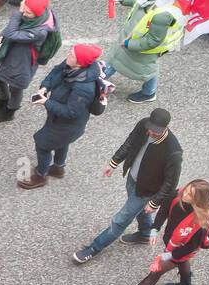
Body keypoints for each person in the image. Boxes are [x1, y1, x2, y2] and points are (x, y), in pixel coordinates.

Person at [73, 108, 182, 263]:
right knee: (141, 210)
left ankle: (93, 248)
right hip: (132, 179)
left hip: (146, 191)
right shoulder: (144, 125)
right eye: (150, 129)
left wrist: (154, 202)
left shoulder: (173, 151)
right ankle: (145, 233)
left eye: (156, 131)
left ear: (166, 128)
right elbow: (130, 142)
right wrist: (114, 162)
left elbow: (171, 183)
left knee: (120, 220)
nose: (151, 133)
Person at [110, 180, 209, 285]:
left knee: (156, 272)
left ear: (198, 200)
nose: (184, 195)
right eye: (187, 190)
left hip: (183, 248)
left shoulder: (202, 222)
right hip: (173, 241)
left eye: (190, 195)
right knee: (181, 261)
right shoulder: (177, 194)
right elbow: (164, 211)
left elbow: (190, 248)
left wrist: (167, 256)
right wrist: (155, 229)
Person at [17, 44, 105, 190]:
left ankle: (41, 175)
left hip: (68, 126)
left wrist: (46, 102)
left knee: (42, 144)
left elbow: (71, 112)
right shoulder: (72, 66)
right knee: (61, 143)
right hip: (60, 122)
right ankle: (58, 168)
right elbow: (56, 72)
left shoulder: (84, 88)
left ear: (79, 63)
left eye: (71, 54)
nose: (67, 55)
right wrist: (45, 87)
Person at [0, 0, 60, 124]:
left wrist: (18, 14)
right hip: (11, 54)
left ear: (37, 14)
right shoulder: (33, 18)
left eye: (27, 12)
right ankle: (3, 99)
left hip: (22, 63)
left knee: (16, 87)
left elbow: (11, 33)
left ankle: (10, 111)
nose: (24, 13)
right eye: (24, 10)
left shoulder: (40, 31)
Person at [108, 0, 182, 103]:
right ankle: (149, 92)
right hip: (132, 42)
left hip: (140, 47)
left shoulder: (161, 14)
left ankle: (148, 93)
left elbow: (153, 40)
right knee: (139, 65)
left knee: (146, 69)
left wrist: (129, 44)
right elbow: (139, 2)